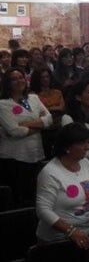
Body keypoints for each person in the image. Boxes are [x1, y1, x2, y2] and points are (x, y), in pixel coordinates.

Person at [36, 123, 89, 248]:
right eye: (82, 143)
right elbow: (43, 210)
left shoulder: (85, 163)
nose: (87, 147)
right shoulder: (50, 173)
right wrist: (71, 231)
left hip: (85, 235)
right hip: (57, 241)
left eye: (88, 142)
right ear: (67, 146)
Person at [0, 67, 53, 205]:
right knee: (19, 199)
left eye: (21, 77)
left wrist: (24, 124)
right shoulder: (3, 104)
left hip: (36, 154)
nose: (19, 81)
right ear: (7, 83)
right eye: (14, 79)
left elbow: (49, 119)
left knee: (35, 196)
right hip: (15, 158)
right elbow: (14, 131)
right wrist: (39, 126)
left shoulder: (33, 98)